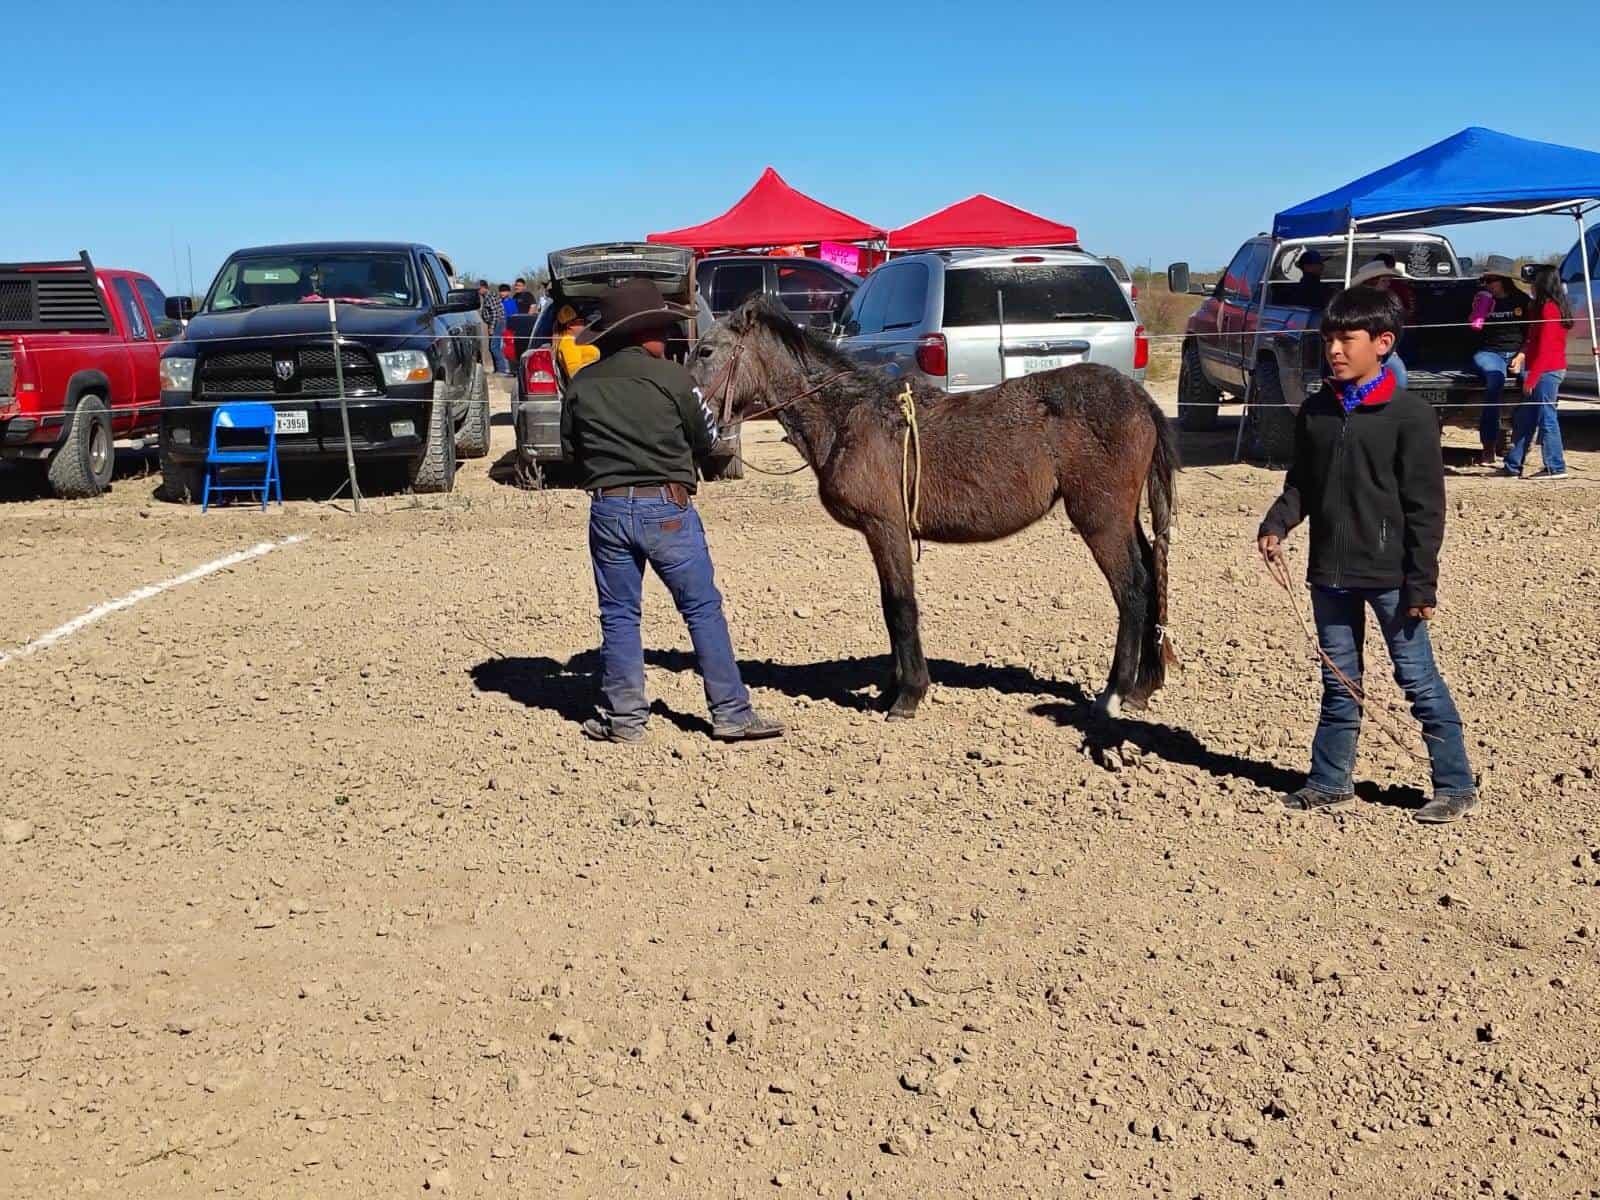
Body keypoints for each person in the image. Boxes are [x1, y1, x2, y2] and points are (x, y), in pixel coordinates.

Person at [1257, 286, 1478, 825]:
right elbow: (1301, 484)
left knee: (1418, 681)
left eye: (1346, 339)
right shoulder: (1315, 411)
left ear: (1383, 343)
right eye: (1328, 338)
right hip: (1327, 576)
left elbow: (1427, 509)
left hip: (1391, 579)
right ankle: (1330, 781)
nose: (1334, 349)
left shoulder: (1410, 416)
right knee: (1339, 682)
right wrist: (1277, 522)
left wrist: (1421, 584)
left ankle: (1455, 784)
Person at [561, 278, 782, 744]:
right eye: (662, 327)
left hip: (608, 510)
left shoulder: (581, 386)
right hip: (667, 509)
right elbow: (707, 440)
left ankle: (625, 719)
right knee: (701, 609)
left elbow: (571, 453)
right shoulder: (675, 379)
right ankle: (731, 713)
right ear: (646, 333)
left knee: (620, 615)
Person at [1505, 265, 1571, 480]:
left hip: (1547, 370)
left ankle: (1555, 466)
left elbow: (1546, 348)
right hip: (1540, 368)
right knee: (1526, 418)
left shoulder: (1550, 309)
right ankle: (1513, 465)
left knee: (1546, 418)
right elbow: (1532, 341)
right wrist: (1522, 357)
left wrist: (1532, 377)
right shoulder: (1540, 307)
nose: (1530, 287)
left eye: (1533, 283)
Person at [1468, 259, 1528, 468]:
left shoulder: (1522, 300)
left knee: (1531, 387)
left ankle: (1522, 444)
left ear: (1503, 280)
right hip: (1490, 351)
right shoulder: (1482, 299)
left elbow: (1532, 335)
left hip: (1519, 351)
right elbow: (1472, 329)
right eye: (1484, 280)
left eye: (1490, 280)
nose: (1486, 284)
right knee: (1495, 382)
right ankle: (1488, 447)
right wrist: (1476, 313)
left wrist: (1520, 356)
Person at [1351, 260, 1413, 390]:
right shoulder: (1356, 304)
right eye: (1384, 281)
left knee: (1398, 379)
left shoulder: (1389, 301)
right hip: (1363, 352)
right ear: (1372, 281)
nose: (1388, 284)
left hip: (1385, 352)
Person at [553, 304, 600, 378]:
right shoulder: (568, 343)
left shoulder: (575, 341)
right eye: (581, 321)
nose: (584, 325)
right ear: (570, 324)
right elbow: (574, 372)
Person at [478, 280, 509, 376]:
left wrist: (492, 327)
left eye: (479, 289)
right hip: (496, 323)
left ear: (484, 288)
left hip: (497, 323)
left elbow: (495, 313)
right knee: (494, 347)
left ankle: (502, 370)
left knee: (494, 347)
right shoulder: (487, 297)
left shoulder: (490, 297)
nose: (478, 291)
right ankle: (498, 369)